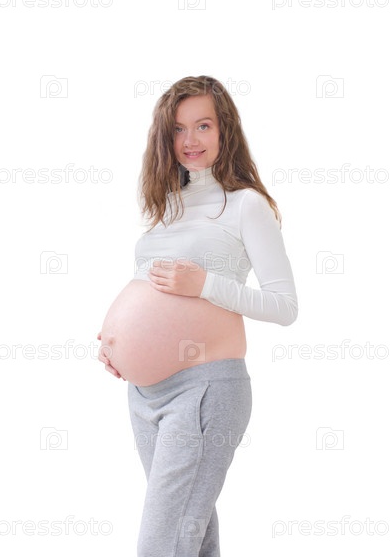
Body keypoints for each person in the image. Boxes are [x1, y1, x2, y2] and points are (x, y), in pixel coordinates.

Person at [97, 75, 298, 556]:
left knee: (162, 543)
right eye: (178, 128)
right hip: (143, 395)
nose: (190, 139)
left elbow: (285, 306)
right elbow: (150, 288)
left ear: (225, 129)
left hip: (204, 390)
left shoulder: (246, 204)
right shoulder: (168, 204)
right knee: (191, 533)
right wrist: (114, 342)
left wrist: (205, 284)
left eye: (203, 125)